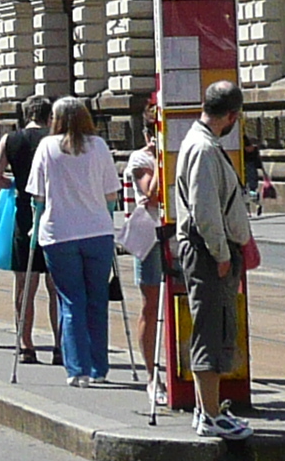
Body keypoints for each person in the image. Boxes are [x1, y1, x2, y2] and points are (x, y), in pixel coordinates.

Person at [175, 80, 258, 438]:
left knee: (213, 326)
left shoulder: (200, 143)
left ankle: (204, 409)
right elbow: (205, 210)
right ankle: (209, 415)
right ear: (231, 115)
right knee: (212, 330)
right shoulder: (205, 149)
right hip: (210, 253)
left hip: (209, 250)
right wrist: (222, 254)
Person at [27, 99, 120, 384]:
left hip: (59, 234)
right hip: (97, 232)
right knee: (97, 300)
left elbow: (37, 196)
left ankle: (76, 369)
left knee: (71, 301)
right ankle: (98, 368)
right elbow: (111, 195)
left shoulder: (47, 147)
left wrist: (35, 225)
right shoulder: (100, 147)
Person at [0, 97, 54, 363]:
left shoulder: (10, 140)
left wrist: (17, 184)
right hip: (54, 214)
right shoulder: (55, 139)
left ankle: (26, 343)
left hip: (24, 215)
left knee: (24, 284)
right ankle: (61, 345)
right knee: (56, 286)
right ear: (48, 116)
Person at [120, 124, 173, 383]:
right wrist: (162, 159)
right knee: (150, 305)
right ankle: (153, 375)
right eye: (152, 133)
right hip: (149, 236)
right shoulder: (140, 159)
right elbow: (152, 195)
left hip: (178, 233)